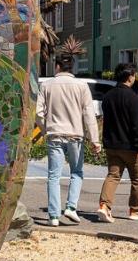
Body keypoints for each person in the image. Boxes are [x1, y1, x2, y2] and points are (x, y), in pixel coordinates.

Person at [34, 54, 101, 226]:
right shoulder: (81, 86)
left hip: (54, 135)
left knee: (54, 176)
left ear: (57, 66)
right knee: (76, 172)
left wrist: (45, 129)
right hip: (75, 135)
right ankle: (71, 207)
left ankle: (53, 216)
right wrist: (95, 140)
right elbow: (89, 115)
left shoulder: (47, 85)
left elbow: (38, 113)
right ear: (73, 68)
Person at [95, 62, 138, 222]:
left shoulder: (108, 96)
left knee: (113, 175)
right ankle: (136, 210)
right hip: (131, 146)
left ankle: (104, 206)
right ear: (130, 77)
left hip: (112, 144)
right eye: (134, 74)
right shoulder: (133, 98)